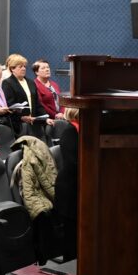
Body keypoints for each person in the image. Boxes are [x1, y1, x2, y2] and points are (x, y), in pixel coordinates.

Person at [53, 108, 79, 262]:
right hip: (69, 190)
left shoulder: (83, 130)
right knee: (72, 237)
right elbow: (74, 163)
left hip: (78, 188)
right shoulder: (70, 132)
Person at [1, 53, 45, 137]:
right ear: (12, 69)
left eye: (24, 66)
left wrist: (45, 118)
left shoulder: (30, 82)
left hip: (34, 123)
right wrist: (21, 117)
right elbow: (10, 105)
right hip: (20, 125)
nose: (23, 69)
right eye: (20, 67)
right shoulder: (7, 83)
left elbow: (37, 103)